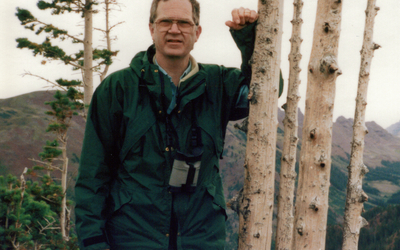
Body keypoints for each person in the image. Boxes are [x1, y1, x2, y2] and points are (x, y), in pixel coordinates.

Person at [75, 0, 259, 249]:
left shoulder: (219, 84)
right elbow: (92, 176)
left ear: (197, 32)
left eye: (184, 22)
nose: (174, 29)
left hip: (201, 239)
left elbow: (266, 92)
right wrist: (94, 242)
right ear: (152, 28)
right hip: (132, 239)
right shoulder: (118, 89)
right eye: (165, 22)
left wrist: (249, 39)